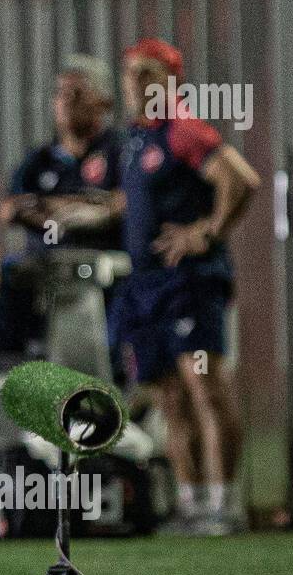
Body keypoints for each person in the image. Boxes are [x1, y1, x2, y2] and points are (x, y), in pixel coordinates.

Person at [111, 39, 260, 536]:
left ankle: (225, 504)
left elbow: (241, 180)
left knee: (206, 387)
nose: (135, 82)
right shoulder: (136, 139)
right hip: (148, 284)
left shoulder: (184, 129)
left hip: (188, 281)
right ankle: (191, 503)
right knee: (170, 397)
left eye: (148, 73)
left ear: (172, 80)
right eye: (131, 72)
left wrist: (207, 232)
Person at [0, 55, 125, 357]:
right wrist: (88, 203)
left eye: (77, 93)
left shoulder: (120, 150)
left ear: (103, 102)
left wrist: (46, 204)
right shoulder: (39, 160)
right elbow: (9, 210)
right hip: (45, 269)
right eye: (60, 93)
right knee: (6, 276)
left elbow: (123, 203)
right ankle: (20, 356)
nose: (66, 101)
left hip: (106, 272)